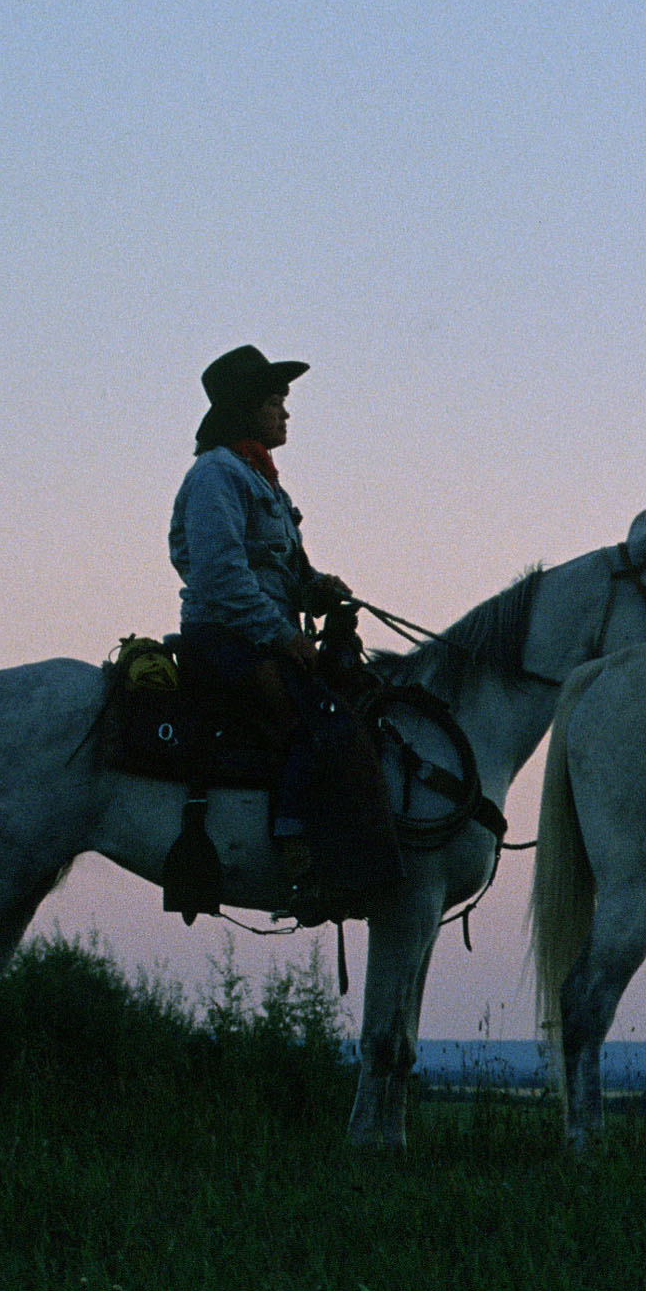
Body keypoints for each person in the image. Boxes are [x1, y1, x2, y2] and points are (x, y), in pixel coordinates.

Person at [169, 343, 401, 913]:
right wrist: (283, 635)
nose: (286, 413)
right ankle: (299, 859)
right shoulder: (215, 476)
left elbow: (273, 569)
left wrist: (315, 587)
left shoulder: (263, 481)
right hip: (226, 640)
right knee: (319, 721)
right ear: (247, 410)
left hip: (257, 634)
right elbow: (222, 576)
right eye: (276, 402)